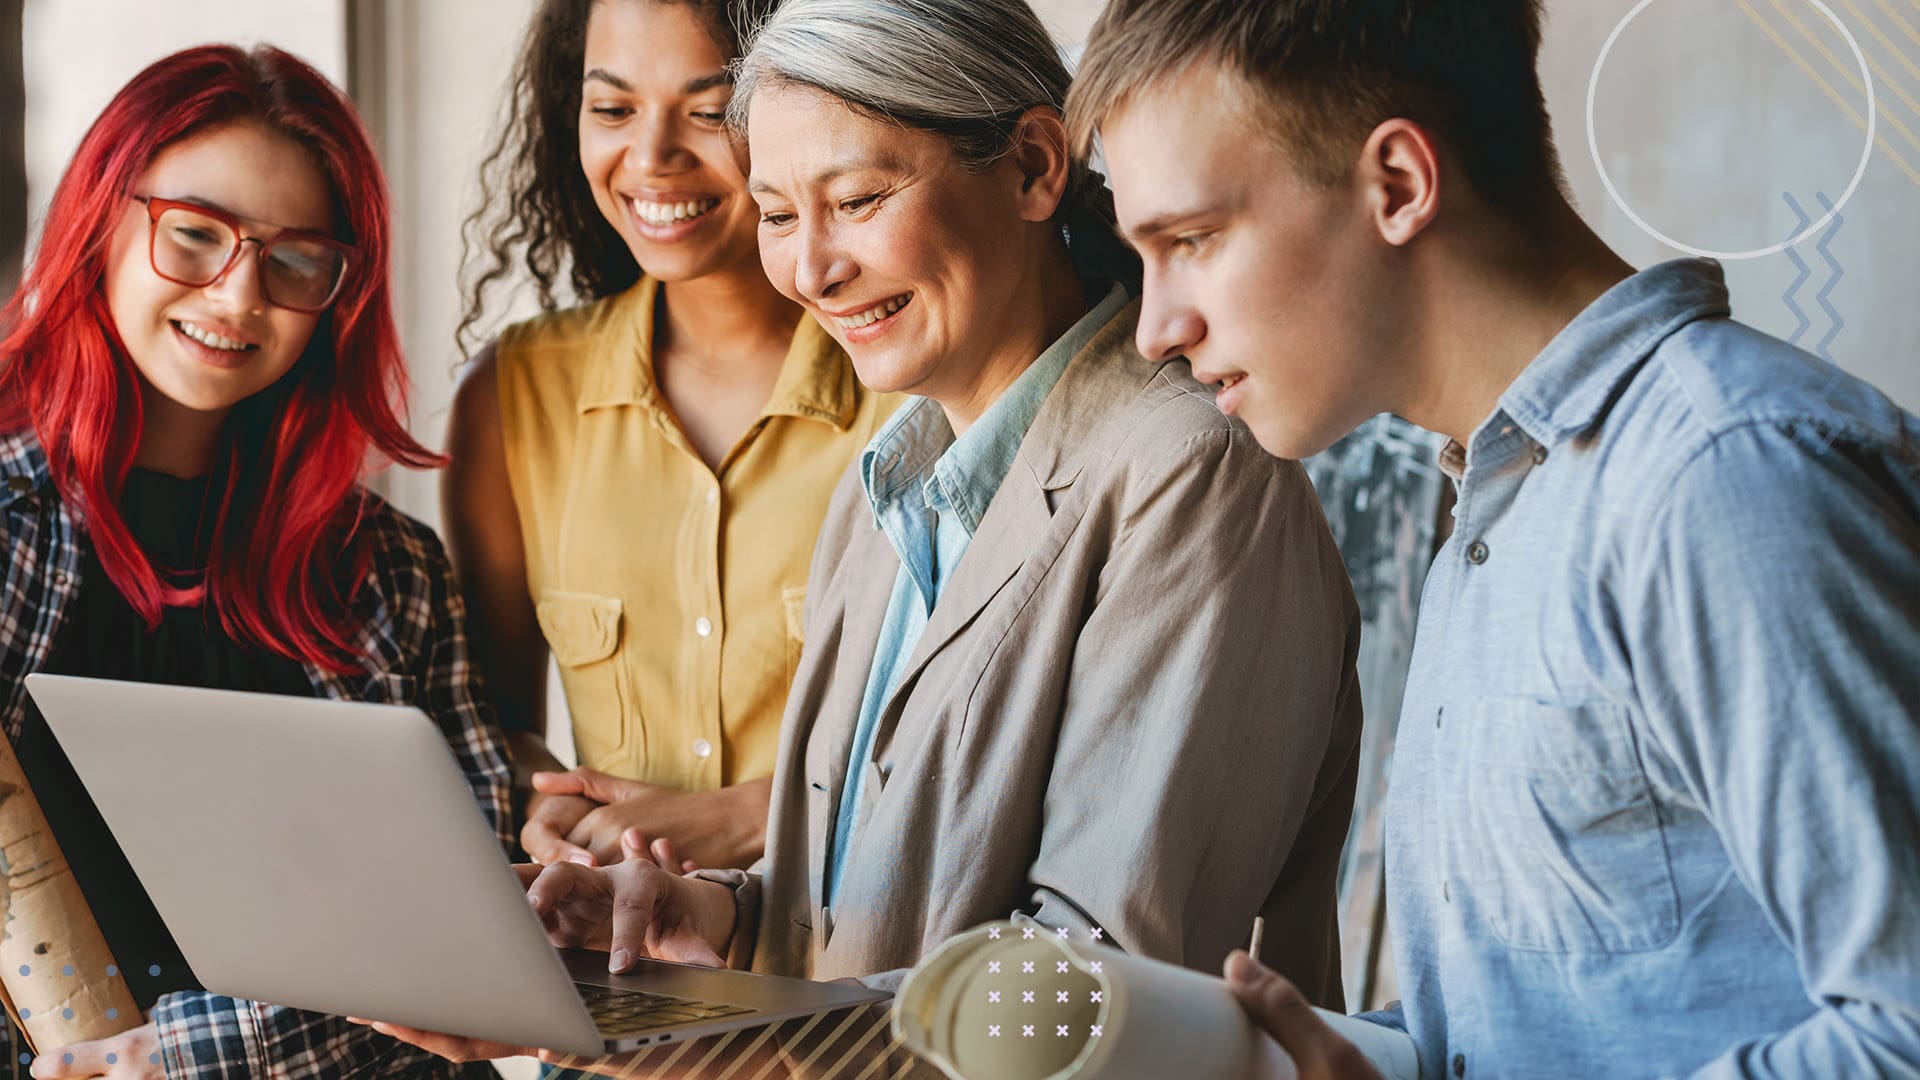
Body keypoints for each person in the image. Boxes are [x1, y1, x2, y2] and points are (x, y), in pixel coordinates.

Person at [372, 0, 1364, 1071]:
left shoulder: (1190, 474)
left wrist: (680, 1013)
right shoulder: (887, 482)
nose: (809, 270)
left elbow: (1083, 1000)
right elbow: (852, 909)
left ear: (1034, 166)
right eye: (777, 214)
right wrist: (695, 921)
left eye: (854, 200)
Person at [1068, 1, 1920, 1077]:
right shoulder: (1503, 503)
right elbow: (1543, 1029)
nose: (1156, 326)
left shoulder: (1724, 481)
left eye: (1189, 242)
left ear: (1399, 185)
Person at [0, 45, 513, 1080]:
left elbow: (476, 941)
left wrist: (177, 1056)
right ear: (100, 222)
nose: (239, 297)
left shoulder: (390, 572)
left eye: (295, 261)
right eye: (195, 236)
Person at [448, 0, 896, 875]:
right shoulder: (513, 397)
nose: (650, 158)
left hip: (856, 977)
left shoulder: (914, 384)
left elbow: (976, 741)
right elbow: (503, 727)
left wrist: (744, 817)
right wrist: (545, 807)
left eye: (709, 110)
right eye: (613, 109)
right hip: (614, 969)